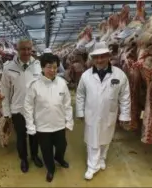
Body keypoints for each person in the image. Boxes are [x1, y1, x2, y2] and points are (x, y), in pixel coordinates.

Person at [76, 41, 131, 180]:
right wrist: (80, 112)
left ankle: (101, 159)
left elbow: (125, 96)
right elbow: (80, 95)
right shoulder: (86, 76)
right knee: (92, 140)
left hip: (109, 113)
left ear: (108, 56)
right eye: (96, 57)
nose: (99, 60)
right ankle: (91, 166)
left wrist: (124, 115)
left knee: (106, 139)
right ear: (92, 58)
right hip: (91, 114)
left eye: (102, 56)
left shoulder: (119, 75)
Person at [24, 52, 73, 182]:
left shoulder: (62, 83)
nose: (52, 70)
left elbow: (67, 104)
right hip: (43, 126)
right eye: (49, 67)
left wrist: (69, 122)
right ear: (42, 67)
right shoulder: (34, 85)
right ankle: (50, 169)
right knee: (46, 151)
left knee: (62, 145)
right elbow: (28, 107)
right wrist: (30, 126)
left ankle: (59, 158)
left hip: (59, 124)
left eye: (55, 67)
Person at [0, 39, 43, 173]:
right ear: (17, 50)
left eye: (29, 49)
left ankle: (35, 155)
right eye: (23, 49)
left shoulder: (37, 65)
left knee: (34, 135)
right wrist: (6, 112)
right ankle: (23, 158)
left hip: (34, 108)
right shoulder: (8, 68)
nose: (26, 52)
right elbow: (4, 91)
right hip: (17, 108)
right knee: (21, 136)